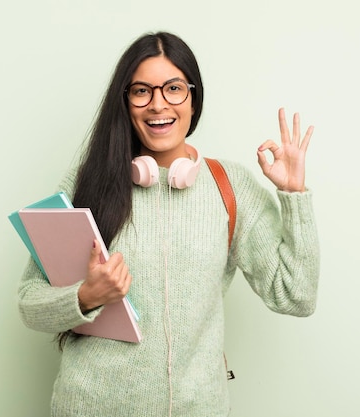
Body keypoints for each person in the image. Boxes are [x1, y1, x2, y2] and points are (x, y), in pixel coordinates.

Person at [17, 31, 320, 417]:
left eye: (174, 88)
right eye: (141, 91)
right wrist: (87, 296)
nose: (158, 104)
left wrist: (295, 196)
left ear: (194, 99)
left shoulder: (231, 188)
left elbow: (296, 296)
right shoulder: (87, 182)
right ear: (125, 103)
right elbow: (29, 302)